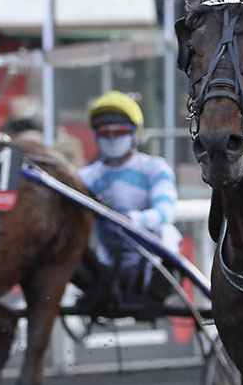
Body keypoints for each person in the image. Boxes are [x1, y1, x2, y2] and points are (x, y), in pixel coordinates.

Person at [75, 91, 180, 311]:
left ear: (134, 134)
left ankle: (155, 295)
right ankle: (98, 293)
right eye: (105, 133)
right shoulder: (85, 178)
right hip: (106, 261)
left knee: (168, 233)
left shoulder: (155, 168)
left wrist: (132, 219)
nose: (112, 138)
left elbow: (166, 211)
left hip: (151, 259)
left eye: (120, 131)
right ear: (95, 135)